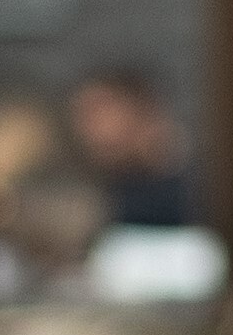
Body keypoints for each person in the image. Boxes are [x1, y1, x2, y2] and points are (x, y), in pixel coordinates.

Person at [62, 67, 199, 230]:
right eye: (80, 116)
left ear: (140, 108)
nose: (87, 128)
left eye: (98, 109)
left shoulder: (200, 189)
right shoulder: (97, 192)